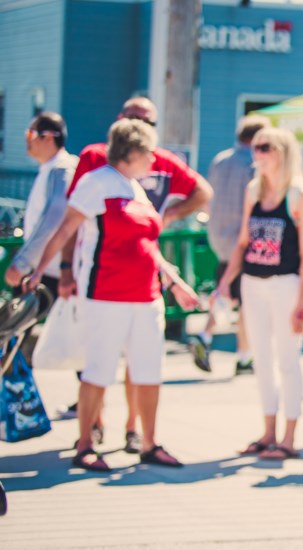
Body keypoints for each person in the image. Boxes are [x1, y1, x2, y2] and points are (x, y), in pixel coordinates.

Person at [25, 118, 199, 471]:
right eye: (150, 151)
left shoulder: (135, 188)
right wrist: (40, 268)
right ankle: (86, 442)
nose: (155, 159)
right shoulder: (96, 182)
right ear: (133, 150)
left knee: (149, 370)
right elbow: (64, 232)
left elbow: (146, 244)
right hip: (105, 294)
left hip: (146, 297)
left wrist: (174, 281)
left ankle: (149, 442)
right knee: (99, 370)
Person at [60, 96, 213, 452]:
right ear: (120, 124)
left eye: (148, 121)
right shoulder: (97, 160)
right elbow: (70, 223)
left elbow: (202, 192)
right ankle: (93, 429)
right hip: (102, 277)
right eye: (133, 119)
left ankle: (136, 431)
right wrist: (64, 268)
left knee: (142, 364)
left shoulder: (158, 163)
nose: (141, 125)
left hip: (145, 279)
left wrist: (168, 218)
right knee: (98, 364)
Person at [219, 127, 303, 461]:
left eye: (265, 148)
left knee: (288, 360)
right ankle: (268, 432)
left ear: (283, 152)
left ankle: (289, 438)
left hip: (286, 283)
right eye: (255, 147)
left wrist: (302, 301)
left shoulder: (298, 193)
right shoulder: (254, 190)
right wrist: (224, 283)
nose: (257, 154)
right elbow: (243, 241)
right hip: (253, 282)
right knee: (261, 359)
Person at [188, 114, 270, 374]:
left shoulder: (220, 160)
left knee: (226, 291)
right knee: (246, 299)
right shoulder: (254, 165)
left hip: (218, 237)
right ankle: (242, 354)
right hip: (243, 240)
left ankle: (208, 336)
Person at [4, 113, 78, 295]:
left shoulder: (61, 169)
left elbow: (53, 217)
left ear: (49, 137)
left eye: (31, 134)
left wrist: (23, 262)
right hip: (43, 270)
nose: (27, 140)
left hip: (50, 273)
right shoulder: (51, 169)